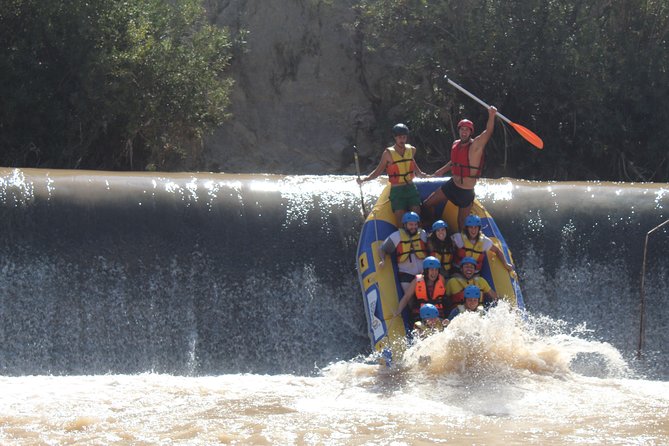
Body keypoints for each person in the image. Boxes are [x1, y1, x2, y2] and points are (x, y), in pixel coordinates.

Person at [422, 106, 497, 230]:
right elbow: (455, 162)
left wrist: (492, 115)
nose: (464, 132)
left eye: (467, 130)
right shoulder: (455, 144)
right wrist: (441, 170)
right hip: (452, 186)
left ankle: (464, 245)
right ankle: (433, 226)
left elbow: (488, 132)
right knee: (427, 204)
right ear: (459, 131)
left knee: (461, 223)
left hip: (466, 192)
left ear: (470, 132)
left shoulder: (475, 146)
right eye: (462, 129)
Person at [357, 123, 429, 227]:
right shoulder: (388, 153)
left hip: (410, 188)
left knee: (416, 219)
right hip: (397, 191)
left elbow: (412, 164)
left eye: (404, 137)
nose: (402, 140)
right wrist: (365, 179)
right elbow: (378, 171)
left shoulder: (411, 150)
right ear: (395, 138)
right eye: (400, 137)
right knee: (400, 223)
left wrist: (422, 174)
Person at [378, 211, 428, 293]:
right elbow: (382, 249)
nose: (414, 227)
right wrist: (382, 260)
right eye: (411, 225)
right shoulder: (396, 236)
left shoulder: (422, 234)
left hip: (423, 272)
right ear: (405, 225)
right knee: (410, 298)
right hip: (406, 274)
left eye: (415, 224)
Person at [392, 256, 448, 321]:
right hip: (421, 314)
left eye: (436, 270)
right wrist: (398, 311)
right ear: (426, 271)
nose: (434, 273)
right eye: (431, 270)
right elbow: (407, 297)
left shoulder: (441, 280)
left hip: (436, 314)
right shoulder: (417, 281)